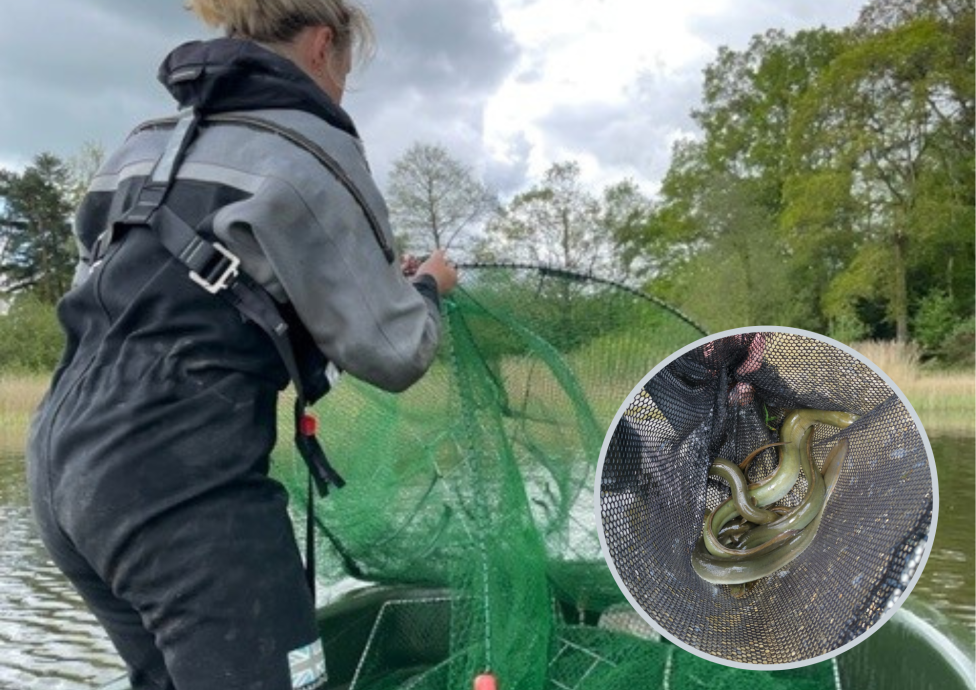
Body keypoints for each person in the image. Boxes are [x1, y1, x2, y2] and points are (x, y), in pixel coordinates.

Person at [25, 2, 457, 689]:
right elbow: (394, 350)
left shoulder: (144, 142)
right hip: (180, 484)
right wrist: (428, 288)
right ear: (323, 46)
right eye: (347, 69)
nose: (343, 87)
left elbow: (150, 296)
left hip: (58, 467)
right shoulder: (312, 144)